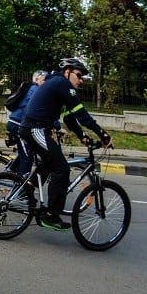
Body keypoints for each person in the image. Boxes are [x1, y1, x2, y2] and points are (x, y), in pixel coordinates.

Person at [19, 57, 113, 231]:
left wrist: (83, 137)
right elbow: (83, 115)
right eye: (79, 75)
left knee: (50, 163)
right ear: (67, 72)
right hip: (34, 129)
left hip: (36, 129)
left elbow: (70, 118)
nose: (81, 80)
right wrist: (103, 135)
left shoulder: (59, 86)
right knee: (61, 168)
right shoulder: (62, 84)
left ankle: (28, 189)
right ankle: (51, 215)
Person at [6, 70, 48, 176]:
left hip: (19, 124)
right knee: (27, 157)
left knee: (29, 150)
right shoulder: (35, 90)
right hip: (18, 125)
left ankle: (12, 169)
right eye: (44, 80)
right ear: (36, 80)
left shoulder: (34, 89)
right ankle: (21, 186)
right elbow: (38, 110)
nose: (46, 82)